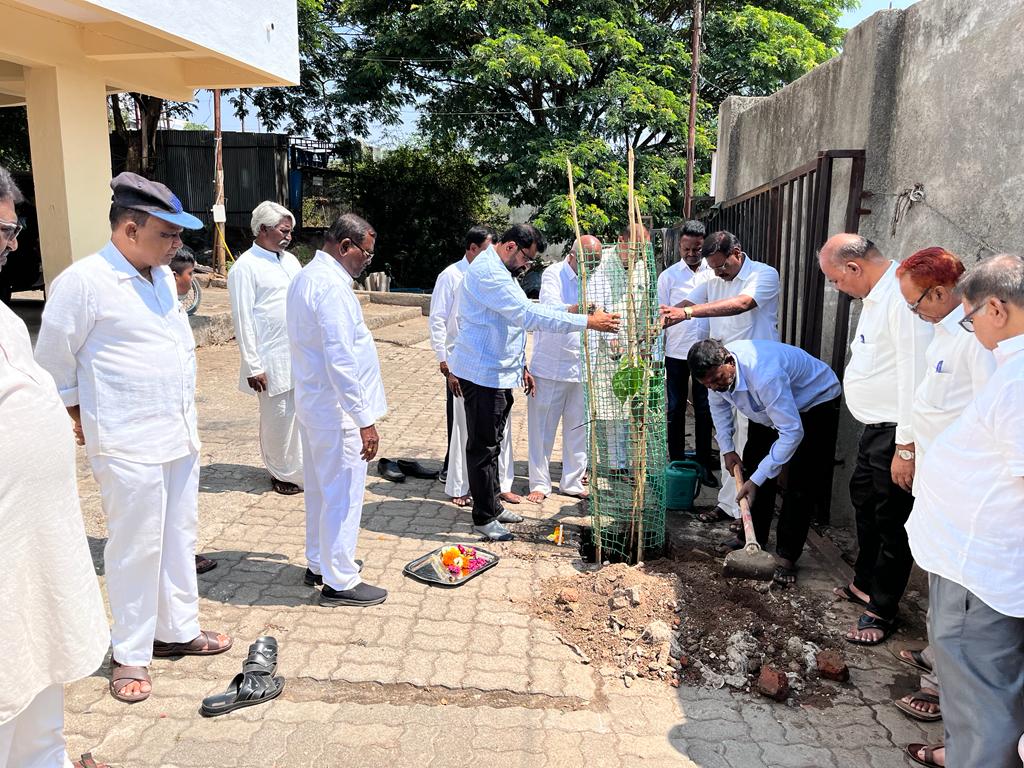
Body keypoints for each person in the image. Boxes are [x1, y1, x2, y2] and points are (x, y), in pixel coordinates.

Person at [35, 172, 232, 704]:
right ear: (128, 228)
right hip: (126, 440)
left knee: (177, 540)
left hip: (176, 434)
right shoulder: (84, 282)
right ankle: (130, 653)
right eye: (166, 234)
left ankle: (177, 630)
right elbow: (52, 364)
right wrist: (76, 415)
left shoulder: (162, 277)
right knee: (135, 548)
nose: (176, 245)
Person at [0, 165, 110, 768]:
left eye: (13, 232)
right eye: (6, 230)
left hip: (36, 550)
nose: (12, 245)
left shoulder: (7, 319)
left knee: (41, 705)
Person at [905, 253, 1024, 768]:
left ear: (995, 307)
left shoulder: (1020, 381)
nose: (968, 324)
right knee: (971, 687)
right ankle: (964, 753)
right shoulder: (1011, 367)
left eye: (970, 314)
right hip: (969, 565)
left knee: (980, 693)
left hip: (980, 572)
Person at [448, 224, 620, 541]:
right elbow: (528, 316)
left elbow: (531, 309)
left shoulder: (499, 267)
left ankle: (494, 507)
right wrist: (587, 322)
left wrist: (570, 309)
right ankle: (484, 518)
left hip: (498, 371)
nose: (528, 266)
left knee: (494, 444)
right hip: (482, 373)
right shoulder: (491, 273)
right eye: (527, 258)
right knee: (482, 448)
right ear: (511, 246)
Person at [892, 247, 996, 726]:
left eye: (917, 303)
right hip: (936, 483)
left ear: (940, 292)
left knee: (956, 597)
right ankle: (937, 658)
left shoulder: (977, 342)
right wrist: (909, 448)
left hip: (962, 492)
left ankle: (942, 691)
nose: (915, 313)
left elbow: (985, 420)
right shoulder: (942, 332)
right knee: (938, 581)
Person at [817, 233, 932, 645]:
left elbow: (915, 372)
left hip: (896, 433)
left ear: (853, 268)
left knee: (890, 521)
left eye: (835, 280)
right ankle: (863, 584)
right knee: (863, 501)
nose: (836, 288)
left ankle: (882, 609)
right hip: (875, 429)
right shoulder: (875, 297)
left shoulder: (902, 298)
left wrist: (906, 444)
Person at [286, 213, 388, 606]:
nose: (367, 261)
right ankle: (340, 578)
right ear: (345, 246)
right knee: (343, 497)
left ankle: (319, 561)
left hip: (316, 407)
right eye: (366, 253)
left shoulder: (307, 278)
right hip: (338, 412)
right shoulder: (330, 288)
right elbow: (340, 359)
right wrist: (365, 421)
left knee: (321, 493)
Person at [688, 338, 841, 584]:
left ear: (729, 361)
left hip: (814, 401)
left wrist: (757, 480)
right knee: (753, 463)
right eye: (708, 384)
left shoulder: (765, 375)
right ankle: (752, 540)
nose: (714, 386)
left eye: (717, 379)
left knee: (800, 481)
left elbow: (792, 432)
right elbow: (719, 409)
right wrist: (727, 449)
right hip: (766, 410)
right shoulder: (713, 379)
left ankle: (787, 556)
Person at [660, 230, 781, 526]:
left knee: (750, 442)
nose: (719, 274)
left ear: (737, 253)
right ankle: (729, 505)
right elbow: (688, 302)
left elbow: (741, 304)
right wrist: (664, 316)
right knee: (727, 439)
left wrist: (687, 313)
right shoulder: (713, 279)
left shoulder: (763, 275)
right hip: (721, 371)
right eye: (713, 268)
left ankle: (748, 510)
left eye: (723, 266)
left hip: (753, 373)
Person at [228, 201, 304, 495]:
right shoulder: (245, 267)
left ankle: (296, 468)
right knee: (278, 418)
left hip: (296, 353)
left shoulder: (290, 261)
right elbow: (243, 320)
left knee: (297, 416)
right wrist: (253, 365)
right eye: (284, 230)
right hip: (269, 359)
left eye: (290, 231)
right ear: (263, 229)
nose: (288, 236)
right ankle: (279, 472)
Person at [525, 235, 598, 503]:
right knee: (542, 429)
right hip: (550, 366)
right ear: (573, 256)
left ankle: (572, 481)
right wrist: (582, 311)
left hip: (582, 366)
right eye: (589, 262)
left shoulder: (595, 279)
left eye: (596, 264)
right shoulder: (553, 274)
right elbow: (549, 310)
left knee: (578, 429)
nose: (593, 268)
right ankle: (540, 483)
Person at [429, 226, 493, 483]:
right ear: (472, 248)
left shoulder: (488, 276)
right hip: (456, 358)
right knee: (457, 419)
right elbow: (437, 320)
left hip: (480, 358)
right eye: (486, 250)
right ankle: (452, 471)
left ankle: (469, 473)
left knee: (476, 421)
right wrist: (444, 362)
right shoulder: (451, 275)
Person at [657, 220, 714, 480]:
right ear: (679, 246)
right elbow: (661, 316)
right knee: (676, 407)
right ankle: (677, 461)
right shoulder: (668, 276)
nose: (692, 254)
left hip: (707, 352)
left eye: (697, 249)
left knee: (705, 407)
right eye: (687, 249)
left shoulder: (714, 273)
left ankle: (703, 463)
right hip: (677, 352)